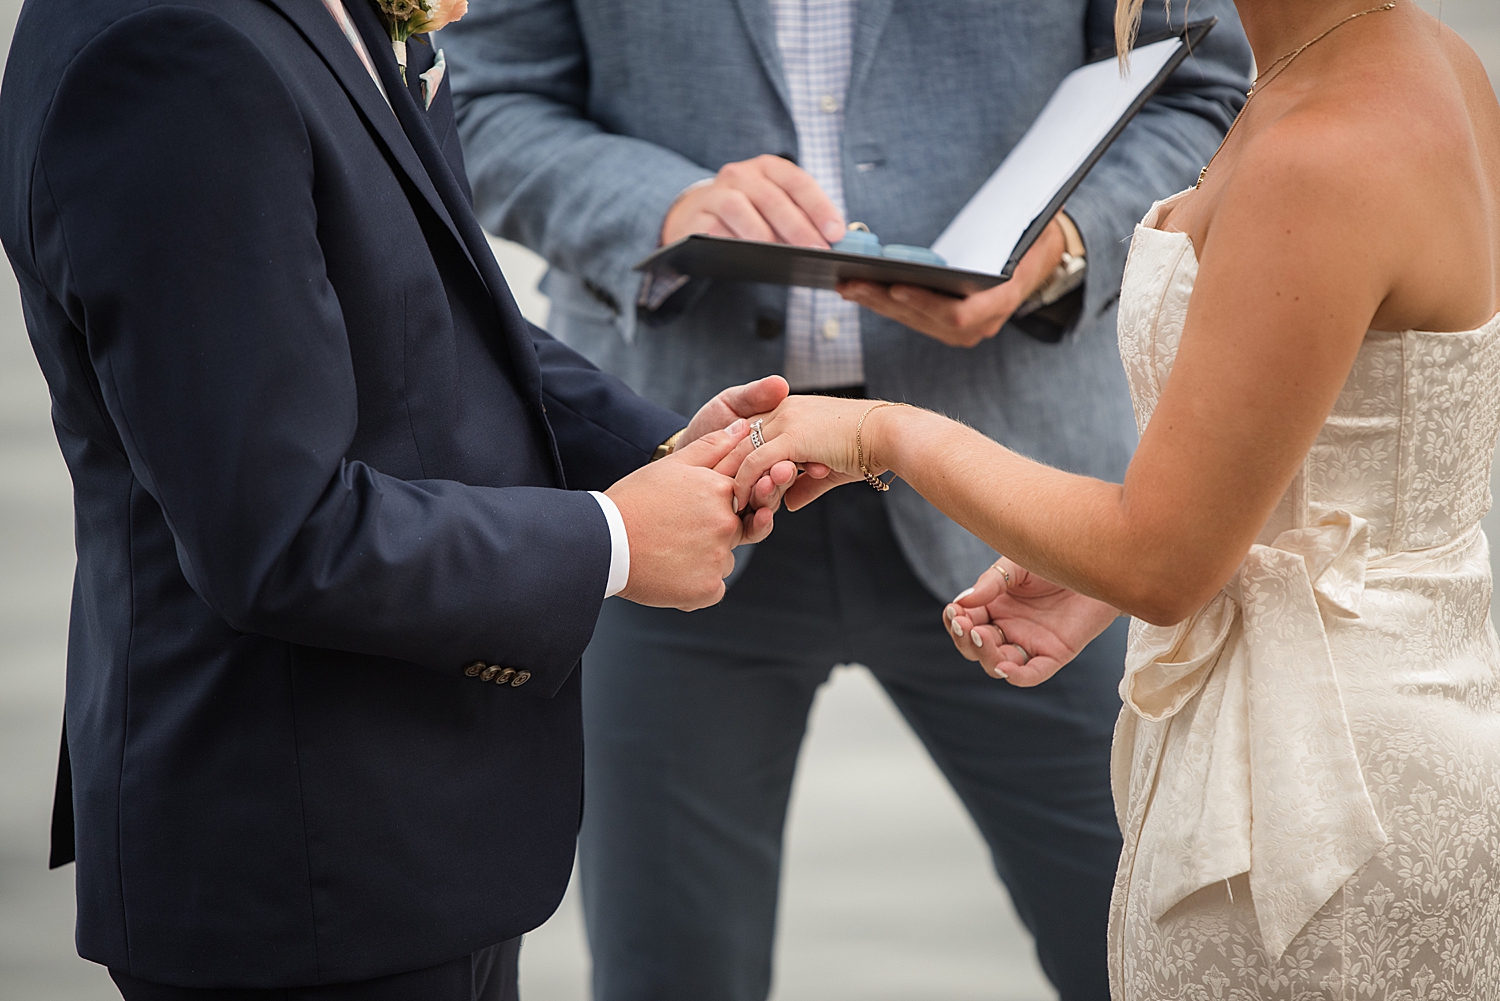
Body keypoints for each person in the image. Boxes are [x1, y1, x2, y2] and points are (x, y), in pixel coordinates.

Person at [441, 3, 1250, 997]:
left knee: (1150, 955)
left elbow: (1204, 85)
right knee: (669, 969)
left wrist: (1066, 250)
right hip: (680, 485)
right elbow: (480, 98)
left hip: (1031, 506)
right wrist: (663, 205)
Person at [0, 0, 802, 995]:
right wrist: (615, 540)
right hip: (302, 870)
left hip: (412, 835)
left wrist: (670, 449)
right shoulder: (170, 55)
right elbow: (279, 533)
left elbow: (430, 315)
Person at [730, 0, 1500, 994]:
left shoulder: (1323, 145)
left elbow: (1159, 561)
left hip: (1317, 798)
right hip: (1381, 720)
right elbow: (1355, 446)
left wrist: (887, 430)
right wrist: (1110, 558)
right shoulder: (1421, 63)